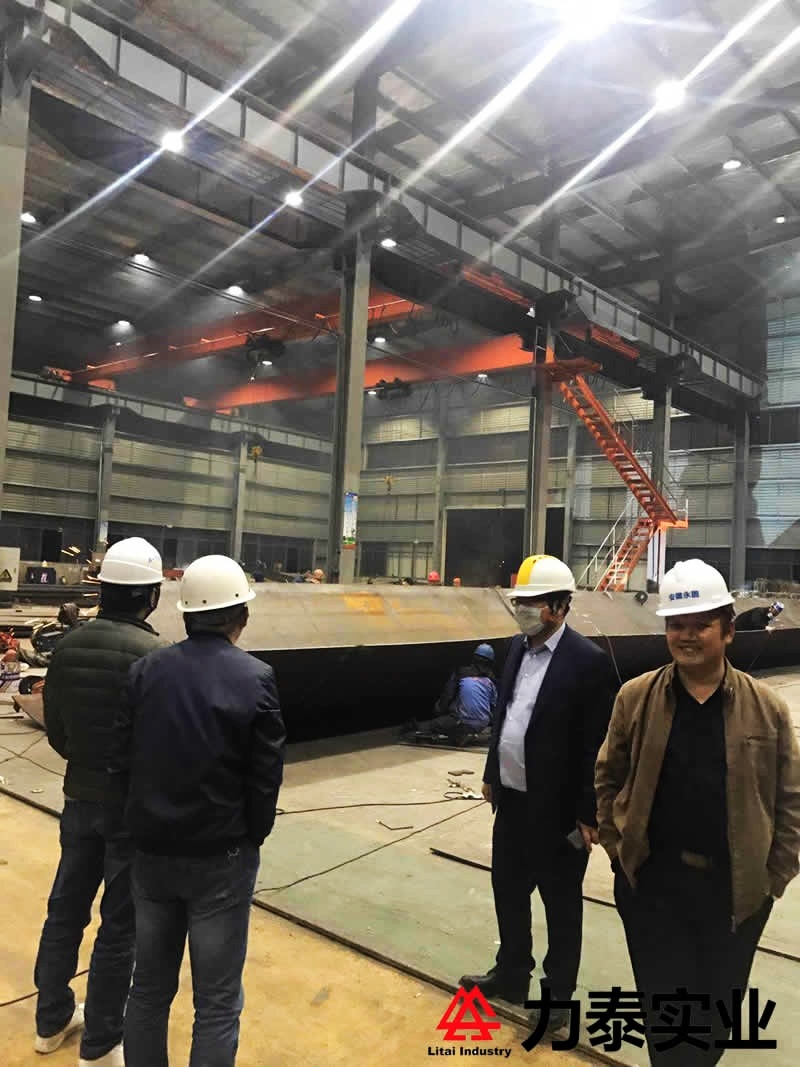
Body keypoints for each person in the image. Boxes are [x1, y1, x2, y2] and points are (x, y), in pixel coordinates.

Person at [595, 559, 800, 1066]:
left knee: (713, 1025)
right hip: (653, 890)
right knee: (665, 1023)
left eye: (700, 625)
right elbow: (607, 777)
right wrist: (619, 852)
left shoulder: (767, 709)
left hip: (734, 897)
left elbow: (791, 799)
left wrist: (773, 878)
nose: (687, 636)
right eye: (676, 625)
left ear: (727, 630)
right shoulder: (636, 699)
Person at [110, 554, 285, 1067]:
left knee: (148, 989)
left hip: (152, 856)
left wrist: (133, 828)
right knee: (216, 1001)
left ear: (184, 614)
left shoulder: (145, 671)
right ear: (241, 616)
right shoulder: (256, 678)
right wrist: (250, 837)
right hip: (220, 861)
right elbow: (265, 776)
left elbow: (120, 761)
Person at [459, 554, 618, 1031]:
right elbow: (505, 716)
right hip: (512, 802)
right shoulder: (516, 649)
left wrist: (589, 813)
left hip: (559, 812)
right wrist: (493, 772)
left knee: (561, 905)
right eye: (519, 602)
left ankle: (557, 997)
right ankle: (511, 972)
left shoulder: (588, 662)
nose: (522, 610)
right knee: (508, 891)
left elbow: (596, 744)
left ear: (560, 606)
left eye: (532, 602)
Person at [33, 537, 165, 1066]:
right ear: (151, 596)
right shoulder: (155, 658)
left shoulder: (67, 648)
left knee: (65, 909)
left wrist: (85, 759)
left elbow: (57, 729)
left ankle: (50, 1021)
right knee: (119, 925)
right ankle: (102, 1041)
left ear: (102, 590)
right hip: (128, 811)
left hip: (79, 799)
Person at [408, 643, 497, 743]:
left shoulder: (461, 673)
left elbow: (448, 695)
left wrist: (439, 712)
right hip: (482, 723)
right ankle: (464, 733)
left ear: (474, 658)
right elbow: (494, 706)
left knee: (432, 725)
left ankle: (457, 735)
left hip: (462, 721)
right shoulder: (491, 680)